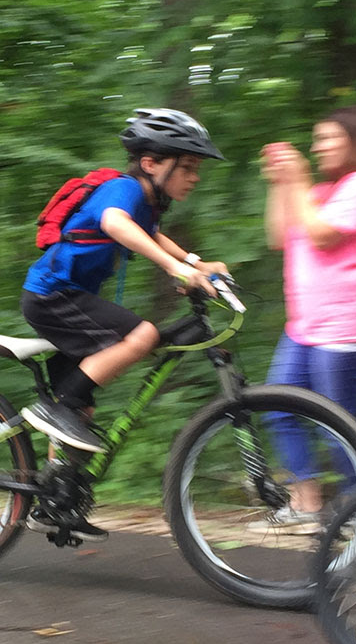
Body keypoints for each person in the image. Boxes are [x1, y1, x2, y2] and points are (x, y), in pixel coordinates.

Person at [20, 108, 229, 457]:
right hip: (52, 296)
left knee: (81, 413)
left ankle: (53, 487)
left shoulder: (146, 204)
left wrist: (195, 264)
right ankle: (58, 411)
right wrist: (173, 268)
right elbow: (115, 223)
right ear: (150, 164)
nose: (194, 178)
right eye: (188, 167)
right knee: (143, 335)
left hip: (68, 297)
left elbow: (153, 235)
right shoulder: (123, 188)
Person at [259, 104, 356, 523]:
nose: (317, 147)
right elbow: (278, 237)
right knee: (279, 409)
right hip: (306, 326)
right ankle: (306, 502)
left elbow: (322, 236)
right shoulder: (322, 192)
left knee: (338, 425)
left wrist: (299, 180)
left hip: (349, 327)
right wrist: (282, 184)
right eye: (315, 139)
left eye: (327, 138)